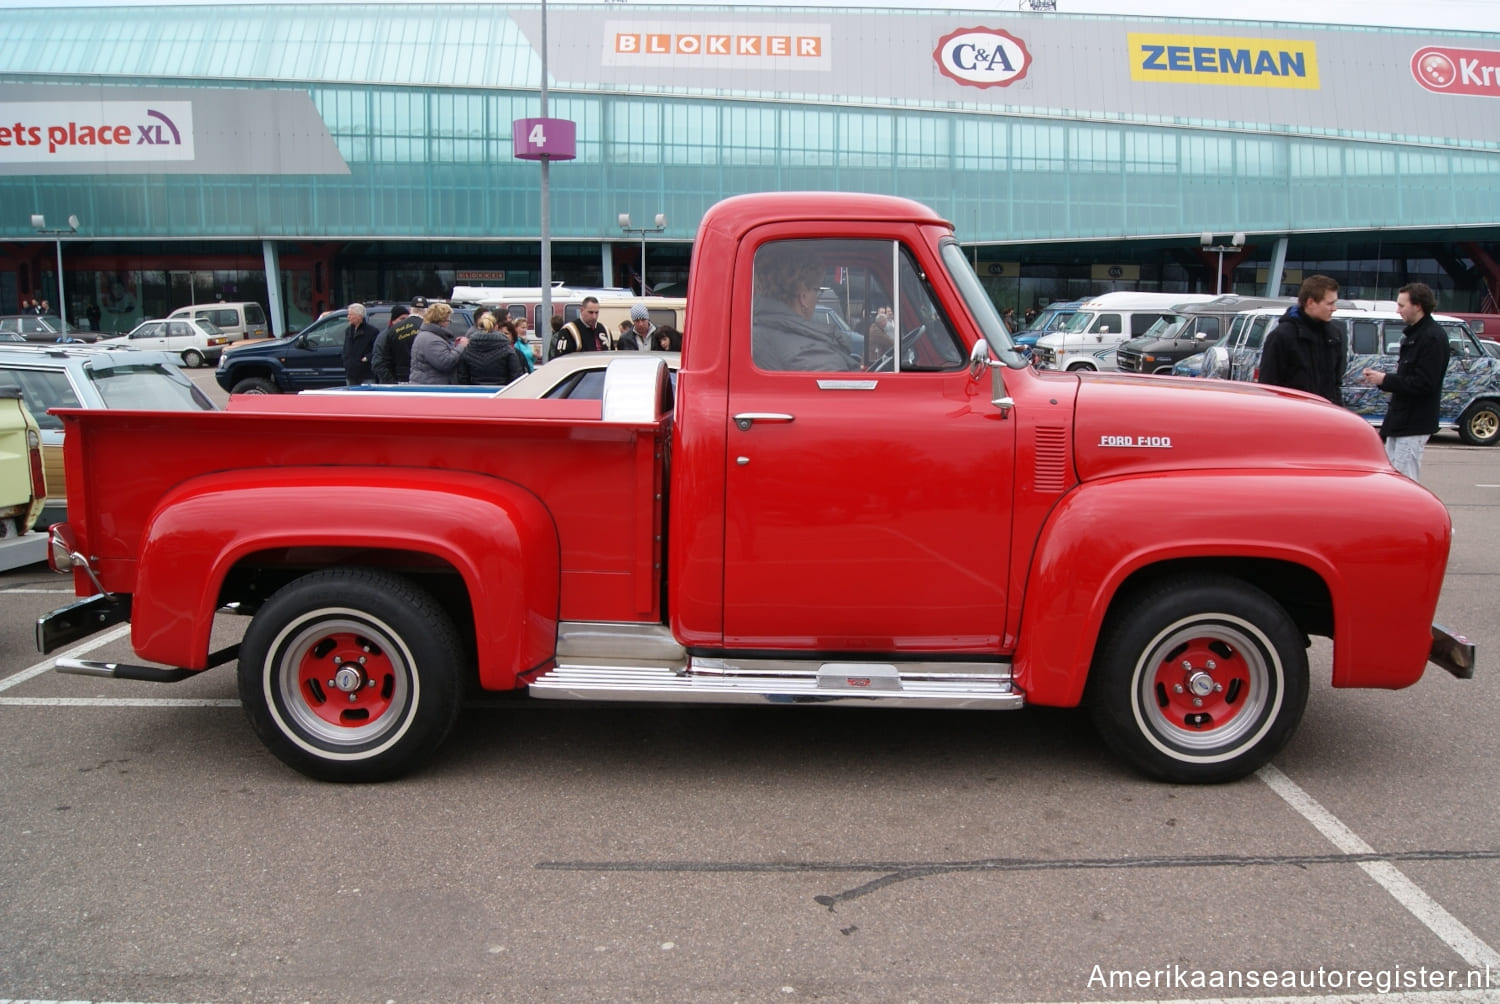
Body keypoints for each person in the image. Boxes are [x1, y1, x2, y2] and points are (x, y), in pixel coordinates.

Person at [1362, 282, 1450, 480]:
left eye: (1402, 305)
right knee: (1392, 477)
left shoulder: (1432, 337)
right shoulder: (1415, 335)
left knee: (1404, 480)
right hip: (1401, 421)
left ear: (1418, 306)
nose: (1398, 310)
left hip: (1413, 423)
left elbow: (1425, 383)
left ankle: (1406, 512)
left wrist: (1385, 380)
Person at [751, 243, 856, 371]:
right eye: (817, 290)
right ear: (803, 297)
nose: (817, 298)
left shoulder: (751, 336)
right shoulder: (815, 356)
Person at [1257, 274, 1345, 406]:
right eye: (1330, 303)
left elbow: (1336, 384)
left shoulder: (1334, 335)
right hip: (1294, 416)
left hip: (1328, 415)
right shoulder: (1282, 336)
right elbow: (1269, 386)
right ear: (1310, 302)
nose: (1334, 308)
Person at [409, 302, 469, 384]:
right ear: (440, 320)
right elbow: (446, 362)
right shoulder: (431, 340)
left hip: (429, 385)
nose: (449, 323)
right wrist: (461, 346)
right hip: (431, 389)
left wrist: (454, 346)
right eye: (448, 320)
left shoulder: (429, 336)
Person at [455, 314, 524, 386]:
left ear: (479, 327)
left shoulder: (468, 349)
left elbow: (462, 376)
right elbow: (516, 375)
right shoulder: (507, 348)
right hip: (502, 390)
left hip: (476, 390)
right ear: (496, 326)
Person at [371, 304, 422, 382]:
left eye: (407, 319)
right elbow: (378, 363)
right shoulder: (384, 337)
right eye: (402, 319)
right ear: (393, 320)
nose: (405, 322)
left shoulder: (407, 335)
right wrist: (392, 382)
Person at [340, 302, 380, 385]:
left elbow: (377, 350)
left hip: (366, 374)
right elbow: (346, 348)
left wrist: (367, 358)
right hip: (350, 373)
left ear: (359, 316)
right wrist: (346, 360)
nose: (348, 317)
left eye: (351, 315)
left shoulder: (372, 332)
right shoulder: (348, 331)